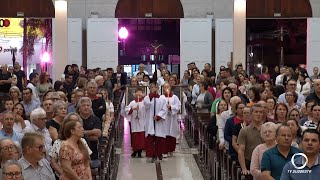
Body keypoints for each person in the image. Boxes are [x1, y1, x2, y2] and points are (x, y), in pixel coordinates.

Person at [237, 104, 264, 175]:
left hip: (265, 162)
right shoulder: (244, 131)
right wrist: (244, 168)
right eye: (256, 112)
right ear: (251, 114)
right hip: (249, 162)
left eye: (261, 112)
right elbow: (241, 150)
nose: (258, 114)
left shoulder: (267, 129)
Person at [143, 83, 167, 162]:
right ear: (149, 88)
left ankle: (159, 153)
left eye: (155, 87)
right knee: (151, 139)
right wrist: (151, 96)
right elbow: (146, 105)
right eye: (152, 87)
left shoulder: (162, 99)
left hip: (159, 122)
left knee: (159, 139)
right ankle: (152, 154)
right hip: (150, 121)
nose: (154, 89)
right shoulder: (147, 98)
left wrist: (158, 116)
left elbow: (164, 109)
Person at [125, 88, 146, 158]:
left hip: (142, 121)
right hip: (134, 121)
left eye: (140, 93)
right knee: (135, 137)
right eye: (137, 92)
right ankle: (135, 150)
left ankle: (140, 151)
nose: (138, 94)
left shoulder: (144, 103)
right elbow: (127, 109)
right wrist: (132, 109)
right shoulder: (132, 102)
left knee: (141, 136)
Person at [161, 83, 181, 157]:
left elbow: (178, 106)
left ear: (170, 88)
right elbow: (159, 106)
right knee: (165, 133)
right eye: (165, 87)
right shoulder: (161, 97)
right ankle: (164, 151)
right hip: (165, 118)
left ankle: (171, 150)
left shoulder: (175, 97)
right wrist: (165, 108)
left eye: (167, 86)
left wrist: (171, 107)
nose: (166, 88)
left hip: (172, 118)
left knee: (172, 133)